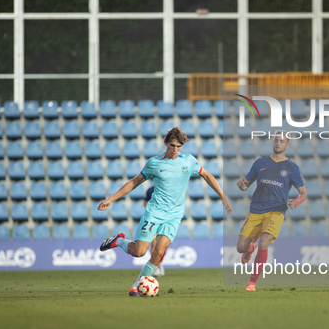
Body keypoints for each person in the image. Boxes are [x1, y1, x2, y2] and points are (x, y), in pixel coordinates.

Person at [98, 127, 233, 296]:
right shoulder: (154, 163)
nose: (175, 150)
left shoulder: (188, 161)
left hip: (174, 215)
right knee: (139, 252)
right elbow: (134, 182)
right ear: (165, 143)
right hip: (154, 213)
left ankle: (137, 285)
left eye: (178, 146)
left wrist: (222, 196)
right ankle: (118, 241)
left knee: (159, 251)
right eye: (172, 146)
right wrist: (111, 199)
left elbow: (206, 175)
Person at [235, 131, 306, 292]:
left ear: (287, 145)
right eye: (276, 140)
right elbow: (247, 185)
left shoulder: (292, 168)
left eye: (281, 141)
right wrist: (242, 186)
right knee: (241, 247)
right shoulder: (260, 163)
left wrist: (296, 201)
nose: (278, 143)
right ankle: (249, 247)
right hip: (256, 210)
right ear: (272, 143)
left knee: (265, 242)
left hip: (276, 211)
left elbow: (304, 193)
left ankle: (251, 282)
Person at [143, 184, 164, 277]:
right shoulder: (150, 190)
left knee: (164, 243)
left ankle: (159, 262)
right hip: (154, 219)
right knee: (154, 242)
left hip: (166, 219)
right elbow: (145, 202)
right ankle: (155, 267)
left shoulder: (166, 188)